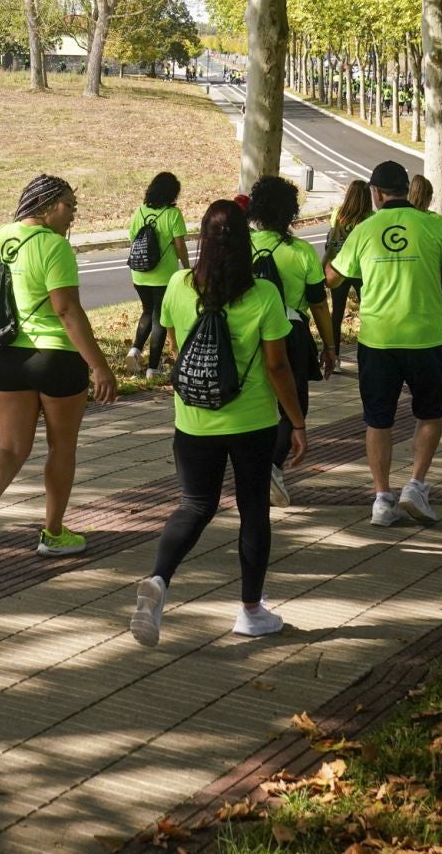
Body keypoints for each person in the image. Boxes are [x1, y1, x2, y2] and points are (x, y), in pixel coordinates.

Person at [128, 201, 309, 646]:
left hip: (194, 421)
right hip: (252, 422)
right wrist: (297, 421)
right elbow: (277, 366)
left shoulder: (178, 285)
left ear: (202, 241)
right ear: (245, 243)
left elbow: (178, 347)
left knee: (194, 505)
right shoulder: (264, 295)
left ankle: (159, 579)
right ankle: (251, 611)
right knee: (253, 510)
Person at [0, 176, 119, 573]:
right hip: (55, 357)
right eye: (68, 205)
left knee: (11, 448)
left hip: (7, 356)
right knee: (62, 448)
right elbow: (66, 310)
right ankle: (54, 533)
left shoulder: (3, 237)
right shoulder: (55, 247)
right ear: (46, 205)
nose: (73, 214)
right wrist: (99, 365)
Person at [325, 160, 442, 528]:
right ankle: (415, 485)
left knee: (378, 420)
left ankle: (382, 499)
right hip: (426, 340)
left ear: (376, 193)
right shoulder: (433, 226)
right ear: (405, 189)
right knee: (430, 414)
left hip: (378, 342)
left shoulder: (364, 230)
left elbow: (333, 278)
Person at [248, 177, 337, 508]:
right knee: (293, 405)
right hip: (291, 333)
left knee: (256, 403)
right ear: (291, 212)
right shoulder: (301, 252)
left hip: (248, 333)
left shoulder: (242, 246)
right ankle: (273, 466)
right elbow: (318, 304)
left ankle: (256, 468)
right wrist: (330, 347)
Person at [127, 172, 191, 377]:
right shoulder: (173, 214)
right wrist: (187, 267)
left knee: (147, 311)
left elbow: (132, 239)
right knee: (160, 319)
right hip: (164, 276)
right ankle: (153, 369)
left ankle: (134, 350)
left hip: (139, 273)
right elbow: (180, 246)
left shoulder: (139, 211)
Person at [325, 181, 371, 358]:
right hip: (362, 271)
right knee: (367, 314)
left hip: (340, 269)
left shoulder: (338, 214)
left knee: (336, 315)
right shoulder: (371, 217)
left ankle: (335, 356)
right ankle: (366, 353)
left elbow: (333, 241)